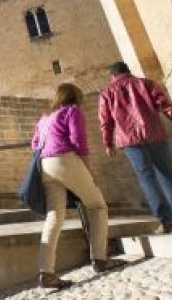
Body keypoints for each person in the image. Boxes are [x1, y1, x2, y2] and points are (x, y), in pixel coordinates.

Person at [32, 83, 125, 289]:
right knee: (97, 206)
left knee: (54, 216)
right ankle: (100, 259)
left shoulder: (44, 118)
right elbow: (78, 141)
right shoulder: (72, 111)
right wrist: (89, 171)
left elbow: (34, 144)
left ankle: (46, 272)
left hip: (45, 165)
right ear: (76, 96)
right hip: (65, 159)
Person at [99, 61, 172, 234]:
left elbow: (105, 122)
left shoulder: (107, 93)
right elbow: (167, 107)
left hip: (130, 142)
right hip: (156, 135)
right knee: (167, 176)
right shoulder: (146, 83)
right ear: (128, 71)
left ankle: (166, 222)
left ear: (113, 76)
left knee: (146, 179)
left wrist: (108, 144)